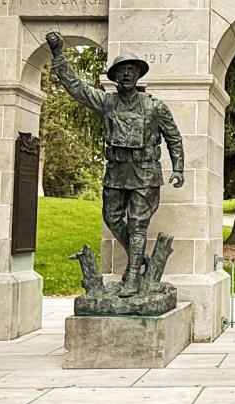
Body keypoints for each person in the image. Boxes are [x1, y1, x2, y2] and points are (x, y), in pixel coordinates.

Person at [45, 32, 184, 297]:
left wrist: (178, 168)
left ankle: (132, 277)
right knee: (111, 216)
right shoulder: (107, 102)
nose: (126, 75)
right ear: (115, 77)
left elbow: (173, 137)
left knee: (138, 224)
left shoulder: (155, 107)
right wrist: (58, 54)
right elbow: (76, 87)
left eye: (131, 70)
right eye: (121, 71)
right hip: (117, 170)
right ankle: (138, 255)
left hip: (145, 171)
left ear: (138, 75)